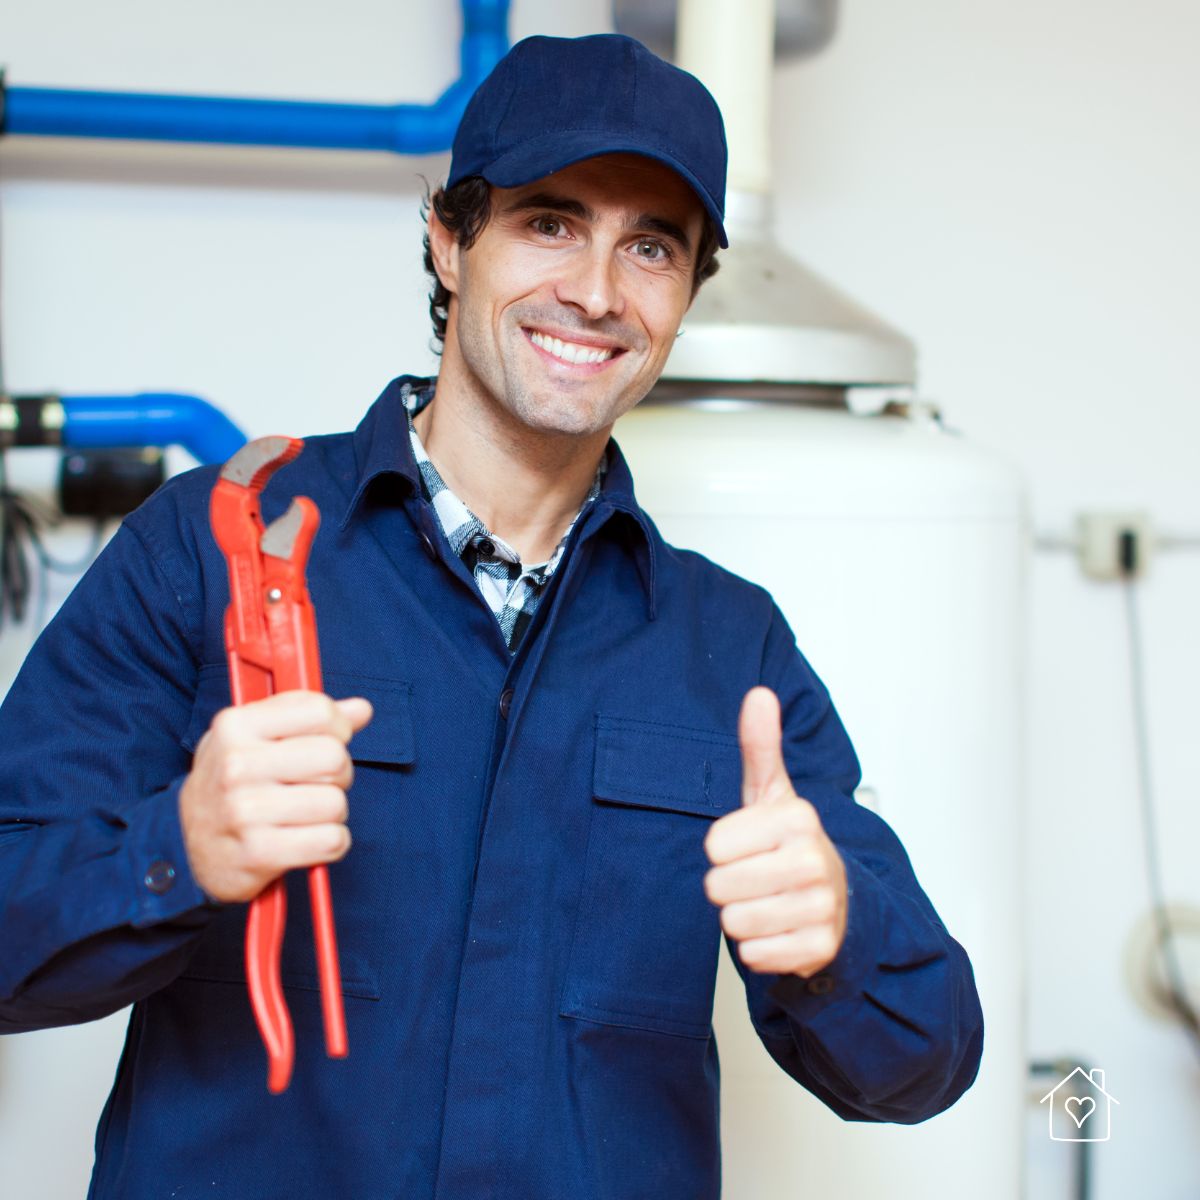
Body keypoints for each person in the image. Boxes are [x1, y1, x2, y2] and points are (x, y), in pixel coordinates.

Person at [0, 33, 983, 1200]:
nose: (598, 292)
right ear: (449, 240)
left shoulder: (731, 651)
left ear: (688, 297)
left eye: (653, 247)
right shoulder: (209, 550)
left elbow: (930, 1061)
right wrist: (180, 850)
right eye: (550, 223)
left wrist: (836, 936)